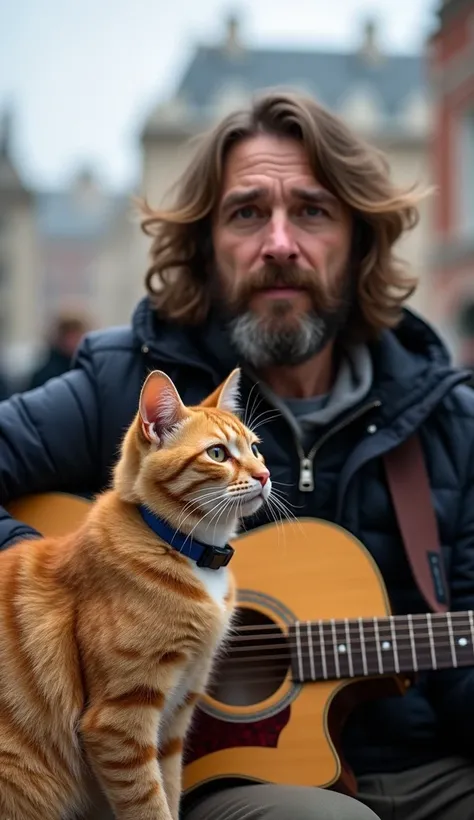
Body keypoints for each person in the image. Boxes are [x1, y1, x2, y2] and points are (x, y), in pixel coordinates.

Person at [0, 90, 473, 820]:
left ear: (359, 238)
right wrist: (63, 592)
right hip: (198, 777)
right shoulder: (122, 380)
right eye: (248, 212)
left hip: (427, 763)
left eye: (312, 211)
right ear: (205, 244)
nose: (279, 242)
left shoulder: (447, 415)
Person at [23, 308, 92, 391]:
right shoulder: (46, 373)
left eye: (76, 336)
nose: (73, 341)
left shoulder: (88, 369)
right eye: (69, 337)